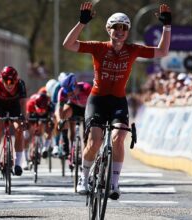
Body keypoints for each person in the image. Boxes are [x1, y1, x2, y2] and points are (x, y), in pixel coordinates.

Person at [63, 2, 171, 199]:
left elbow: (162, 51)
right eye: (115, 27)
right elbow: (68, 45)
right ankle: (84, 178)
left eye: (124, 28)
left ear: (128, 31)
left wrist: (167, 27)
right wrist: (81, 23)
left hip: (118, 101)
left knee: (119, 137)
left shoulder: (133, 50)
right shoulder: (98, 48)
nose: (120, 31)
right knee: (95, 141)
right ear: (108, 29)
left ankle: (114, 183)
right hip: (97, 100)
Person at [0, 66, 26, 176]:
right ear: (2, 79)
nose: (10, 84)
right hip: (0, 105)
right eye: (6, 81)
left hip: (14, 106)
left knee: (19, 129)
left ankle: (18, 163)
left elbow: (23, 103)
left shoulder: (21, 84)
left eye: (13, 82)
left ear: (17, 80)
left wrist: (23, 117)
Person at [53, 73, 91, 159]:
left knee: (87, 134)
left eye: (70, 91)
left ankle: (86, 154)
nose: (69, 94)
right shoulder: (62, 91)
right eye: (67, 91)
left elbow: (95, 104)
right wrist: (60, 121)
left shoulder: (86, 88)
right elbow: (59, 109)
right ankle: (65, 144)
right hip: (74, 107)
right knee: (64, 113)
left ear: (75, 85)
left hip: (87, 109)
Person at [23, 92, 54, 168]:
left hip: (45, 116)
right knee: (28, 135)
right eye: (40, 110)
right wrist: (27, 127)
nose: (41, 112)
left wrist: (51, 123)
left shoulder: (50, 106)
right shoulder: (30, 104)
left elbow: (52, 119)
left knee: (48, 128)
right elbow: (26, 118)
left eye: (43, 110)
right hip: (32, 114)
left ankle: (45, 148)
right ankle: (25, 159)